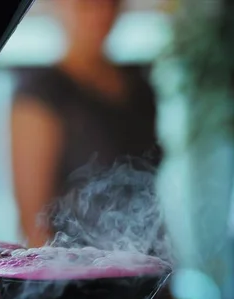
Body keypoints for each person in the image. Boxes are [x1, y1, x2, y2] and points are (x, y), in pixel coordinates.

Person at [11, 0, 160, 247]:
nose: (100, 11)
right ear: (60, 7)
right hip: (78, 269)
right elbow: (32, 220)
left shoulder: (140, 89)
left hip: (146, 261)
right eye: (85, 4)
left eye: (108, 3)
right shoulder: (41, 93)